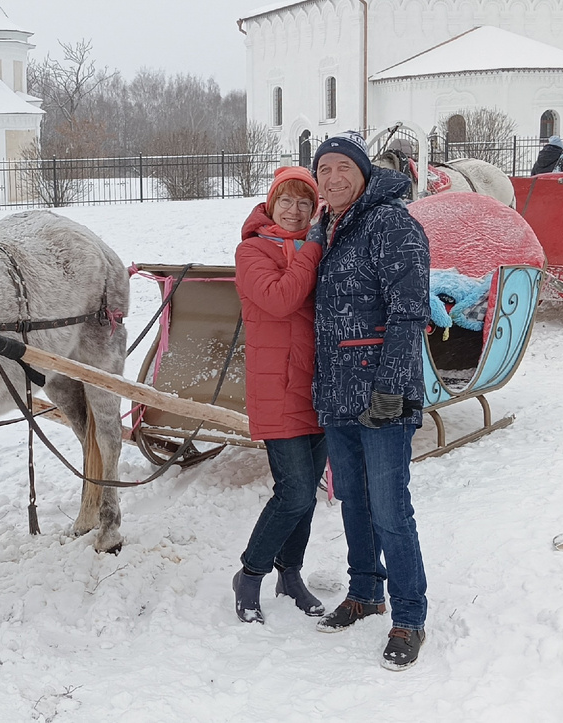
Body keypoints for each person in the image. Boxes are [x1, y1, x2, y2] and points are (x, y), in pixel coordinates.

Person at [309, 131, 431, 671]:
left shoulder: (391, 223)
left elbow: (409, 311)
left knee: (389, 509)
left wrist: (392, 386)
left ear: (363, 173)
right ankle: (365, 592)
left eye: (343, 168)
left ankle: (408, 616)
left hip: (382, 392)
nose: (332, 178)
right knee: (353, 502)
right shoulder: (329, 225)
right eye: (324, 169)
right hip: (338, 391)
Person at [230, 167, 328, 624]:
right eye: (286, 201)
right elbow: (280, 300)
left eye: (305, 203)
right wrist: (311, 250)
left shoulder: (319, 247)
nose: (295, 210)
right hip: (277, 387)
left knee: (307, 494)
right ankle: (250, 574)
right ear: (270, 204)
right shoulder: (252, 251)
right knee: (294, 492)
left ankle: (291, 574)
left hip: (317, 386)